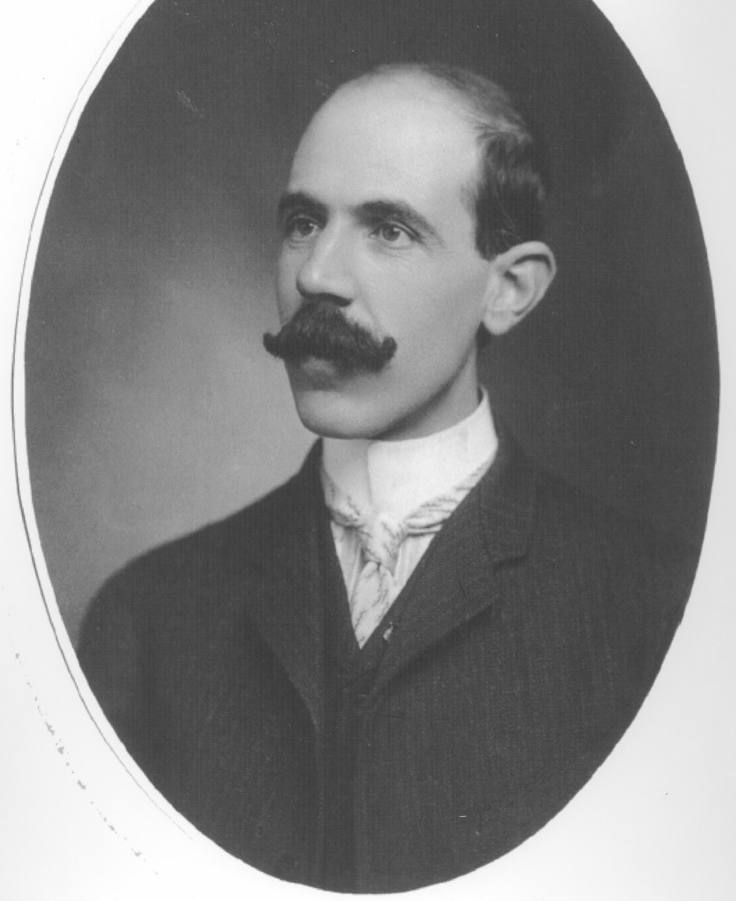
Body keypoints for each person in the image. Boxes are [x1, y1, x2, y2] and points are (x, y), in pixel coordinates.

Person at [79, 63, 692, 892]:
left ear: (509, 289)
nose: (317, 276)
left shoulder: (659, 616)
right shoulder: (144, 622)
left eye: (390, 230)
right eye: (303, 222)